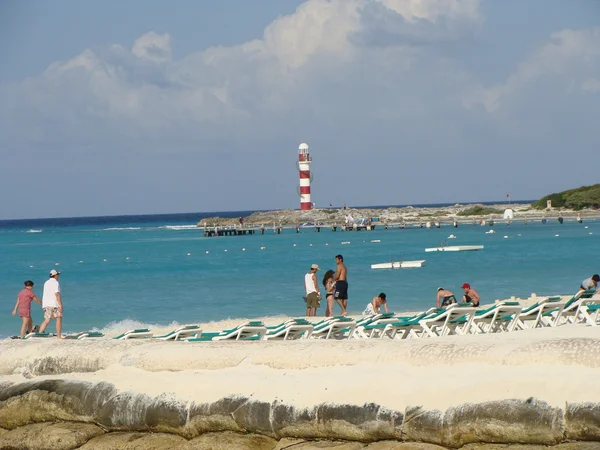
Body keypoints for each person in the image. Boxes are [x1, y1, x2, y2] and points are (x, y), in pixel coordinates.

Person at [39, 269, 63, 339]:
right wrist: (60, 305)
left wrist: (44, 305)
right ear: (55, 275)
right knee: (58, 318)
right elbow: (57, 294)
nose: (58, 276)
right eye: (58, 275)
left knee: (47, 320)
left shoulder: (46, 282)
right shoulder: (56, 283)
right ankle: (58, 336)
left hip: (46, 304)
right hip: (54, 304)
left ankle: (39, 334)